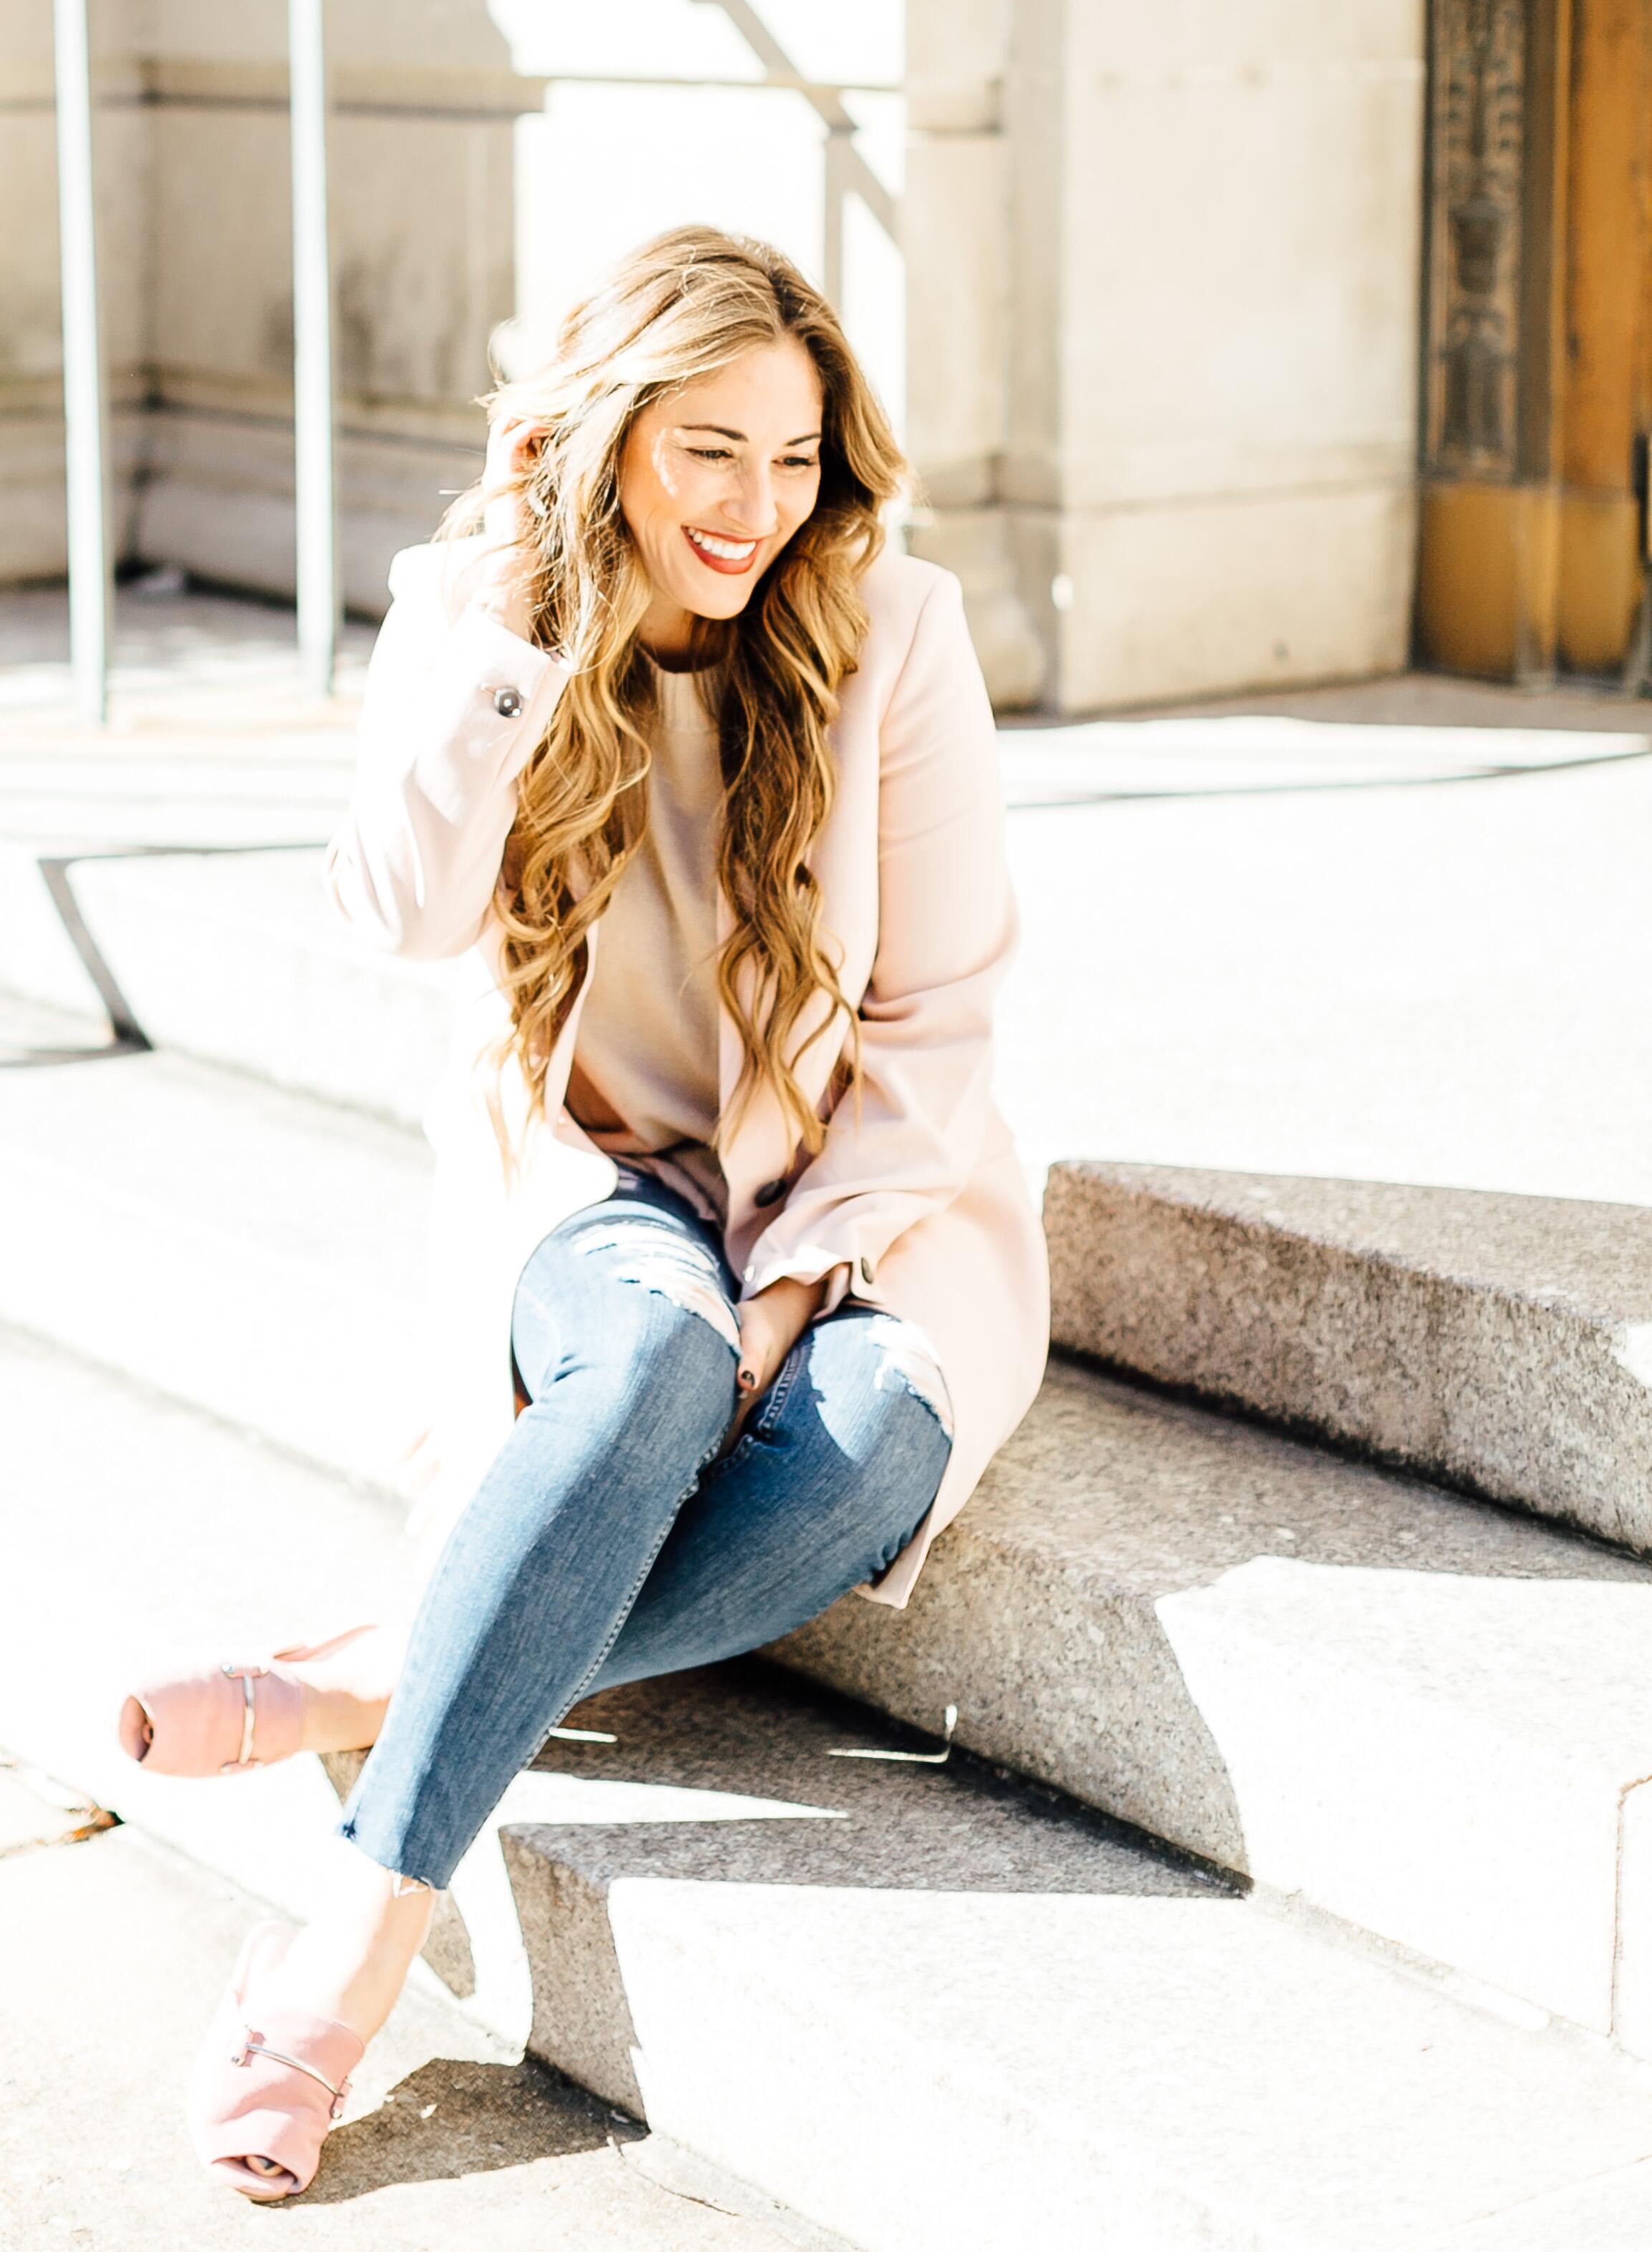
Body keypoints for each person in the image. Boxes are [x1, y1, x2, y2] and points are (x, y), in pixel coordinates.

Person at [120, 225, 1049, 2197]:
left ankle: (375, 1676)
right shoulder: (475, 613)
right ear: (609, 433)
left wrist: (807, 1280)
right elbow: (400, 912)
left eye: (792, 459)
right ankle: (357, 1939)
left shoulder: (894, 630)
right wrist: (532, 632)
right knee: (643, 1357)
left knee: (875, 1435)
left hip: (859, 1193)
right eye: (707, 449)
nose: (755, 508)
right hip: (595, 1172)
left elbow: (937, 1020)